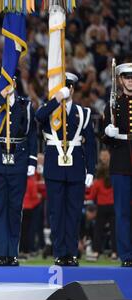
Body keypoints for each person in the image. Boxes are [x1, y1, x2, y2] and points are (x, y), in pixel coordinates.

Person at [35, 72, 96, 267]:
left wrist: (91, 170)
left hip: (76, 167)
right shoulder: (49, 109)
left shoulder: (83, 113)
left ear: (72, 88)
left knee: (74, 212)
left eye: (68, 86)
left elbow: (91, 146)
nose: (66, 89)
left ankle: (72, 252)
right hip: (54, 168)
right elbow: (39, 116)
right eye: (62, 86)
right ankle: (60, 253)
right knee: (56, 212)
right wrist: (56, 99)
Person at [0, 72, 37, 266]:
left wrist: (32, 161)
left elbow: (31, 134)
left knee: (14, 208)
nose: (7, 83)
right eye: (3, 80)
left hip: (18, 159)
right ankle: (1, 252)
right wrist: (0, 97)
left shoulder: (24, 104)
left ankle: (12, 252)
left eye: (10, 79)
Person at [103, 62, 132, 267]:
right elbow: (104, 137)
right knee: (122, 212)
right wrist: (108, 133)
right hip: (121, 161)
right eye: (127, 77)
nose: (130, 80)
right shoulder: (114, 104)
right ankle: (126, 255)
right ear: (120, 80)